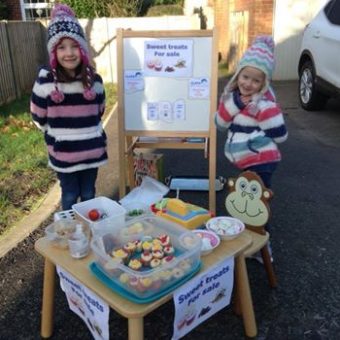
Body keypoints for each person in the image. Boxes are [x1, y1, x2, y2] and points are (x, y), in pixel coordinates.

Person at [30, 4, 108, 210]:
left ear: (82, 49)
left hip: (91, 152)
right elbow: (38, 115)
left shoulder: (95, 80)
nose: (69, 53)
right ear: (53, 52)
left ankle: (89, 232)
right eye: (61, 47)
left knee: (89, 192)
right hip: (64, 153)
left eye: (74, 46)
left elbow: (100, 109)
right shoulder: (45, 82)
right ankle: (71, 235)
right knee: (71, 194)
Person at [215, 35, 288, 190]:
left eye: (256, 81)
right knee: (249, 197)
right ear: (237, 75)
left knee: (257, 197)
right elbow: (220, 123)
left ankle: (256, 213)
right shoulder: (232, 97)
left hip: (261, 158)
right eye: (245, 77)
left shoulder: (264, 103)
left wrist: (264, 111)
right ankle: (248, 214)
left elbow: (281, 135)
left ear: (264, 83)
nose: (248, 84)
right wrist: (236, 103)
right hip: (247, 158)